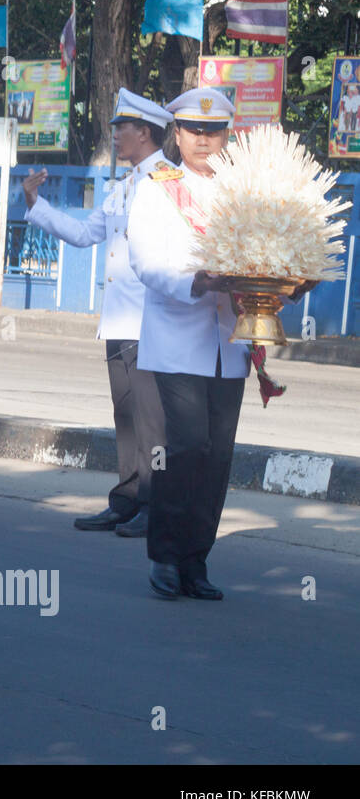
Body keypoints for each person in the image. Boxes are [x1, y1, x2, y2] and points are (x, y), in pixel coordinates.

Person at [127, 87, 305, 601]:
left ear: (228, 135)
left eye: (214, 131)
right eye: (194, 130)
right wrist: (197, 282)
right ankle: (164, 554)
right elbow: (146, 260)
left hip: (231, 343)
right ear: (176, 134)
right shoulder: (157, 187)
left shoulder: (245, 190)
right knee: (185, 447)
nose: (204, 140)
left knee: (218, 455)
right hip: (177, 339)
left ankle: (195, 560)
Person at [21, 88, 172, 538]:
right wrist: (37, 205)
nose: (117, 137)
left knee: (153, 422)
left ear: (143, 133)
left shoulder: (169, 182)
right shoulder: (124, 186)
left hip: (153, 322)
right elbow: (87, 234)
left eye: (121, 129)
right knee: (125, 415)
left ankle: (154, 503)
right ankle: (126, 498)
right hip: (121, 320)